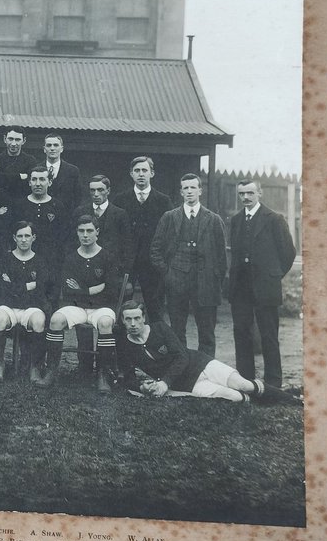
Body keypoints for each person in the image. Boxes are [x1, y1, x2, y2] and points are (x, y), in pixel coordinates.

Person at [115, 302, 298, 404]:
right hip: (186, 384)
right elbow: (128, 376)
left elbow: (182, 357)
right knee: (234, 397)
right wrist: (142, 387)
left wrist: (164, 382)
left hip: (201, 364)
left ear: (143, 318)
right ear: (122, 321)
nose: (133, 324)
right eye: (128, 319)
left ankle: (293, 401)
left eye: (137, 318)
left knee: (243, 384)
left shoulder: (160, 329)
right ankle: (263, 402)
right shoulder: (125, 346)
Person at [35, 215, 122, 391]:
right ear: (77, 233)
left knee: (105, 323)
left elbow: (112, 290)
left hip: (102, 308)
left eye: (89, 230)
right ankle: (52, 371)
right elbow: (68, 290)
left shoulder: (108, 257)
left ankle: (103, 374)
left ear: (97, 232)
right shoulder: (71, 258)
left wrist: (80, 289)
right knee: (55, 320)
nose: (85, 235)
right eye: (81, 231)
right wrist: (91, 290)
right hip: (78, 307)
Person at [227, 178, 297, 387]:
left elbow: (288, 253)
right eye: (242, 194)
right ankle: (246, 381)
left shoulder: (274, 219)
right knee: (242, 333)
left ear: (260, 193)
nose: (246, 198)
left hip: (265, 287)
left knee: (268, 335)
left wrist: (273, 275)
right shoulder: (237, 220)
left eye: (250, 193)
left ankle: (273, 383)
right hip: (241, 288)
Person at [150, 172, 227, 357]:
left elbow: (221, 257)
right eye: (186, 188)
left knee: (207, 332)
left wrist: (214, 279)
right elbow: (155, 250)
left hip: (206, 283)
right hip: (176, 281)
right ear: (181, 192)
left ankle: (207, 369)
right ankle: (180, 369)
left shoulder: (214, 219)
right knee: (177, 331)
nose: (190, 191)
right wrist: (167, 274)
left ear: (200, 190)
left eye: (193, 187)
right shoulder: (169, 217)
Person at [114, 156, 173, 323]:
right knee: (123, 307)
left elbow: (169, 235)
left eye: (145, 170)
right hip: (126, 265)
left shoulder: (163, 201)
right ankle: (123, 347)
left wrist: (161, 262)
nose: (141, 174)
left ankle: (156, 346)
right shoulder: (120, 200)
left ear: (152, 173)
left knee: (155, 310)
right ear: (131, 174)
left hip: (152, 266)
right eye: (137, 171)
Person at [0, 221, 51, 381]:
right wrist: (27, 286)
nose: (23, 239)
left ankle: (35, 366)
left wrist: (13, 286)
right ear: (14, 238)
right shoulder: (5, 259)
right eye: (20, 236)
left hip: (31, 308)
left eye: (27, 235)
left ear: (33, 238)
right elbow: (2, 288)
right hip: (8, 306)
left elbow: (40, 290)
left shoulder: (40, 261)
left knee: (39, 320)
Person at [18, 165, 68, 275]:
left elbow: (63, 235)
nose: (38, 183)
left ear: (49, 182)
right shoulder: (20, 205)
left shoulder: (58, 206)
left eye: (42, 179)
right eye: (34, 179)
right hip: (24, 258)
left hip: (50, 259)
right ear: (29, 182)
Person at [74, 175, 130, 269]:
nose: (96, 194)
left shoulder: (120, 214)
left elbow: (127, 245)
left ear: (108, 191)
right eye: (92, 190)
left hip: (112, 267)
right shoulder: (80, 212)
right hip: (85, 266)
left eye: (100, 190)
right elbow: (73, 242)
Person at [42, 133, 81, 212]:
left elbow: (78, 197)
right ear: (44, 149)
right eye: (49, 145)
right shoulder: (37, 169)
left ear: (62, 149)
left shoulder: (73, 171)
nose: (52, 148)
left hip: (65, 217)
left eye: (56, 145)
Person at [0, 129, 36, 193]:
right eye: (10, 139)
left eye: (17, 140)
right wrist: (19, 176)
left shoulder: (30, 160)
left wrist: (6, 176)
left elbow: (30, 183)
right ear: (5, 139)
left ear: (24, 141)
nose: (13, 143)